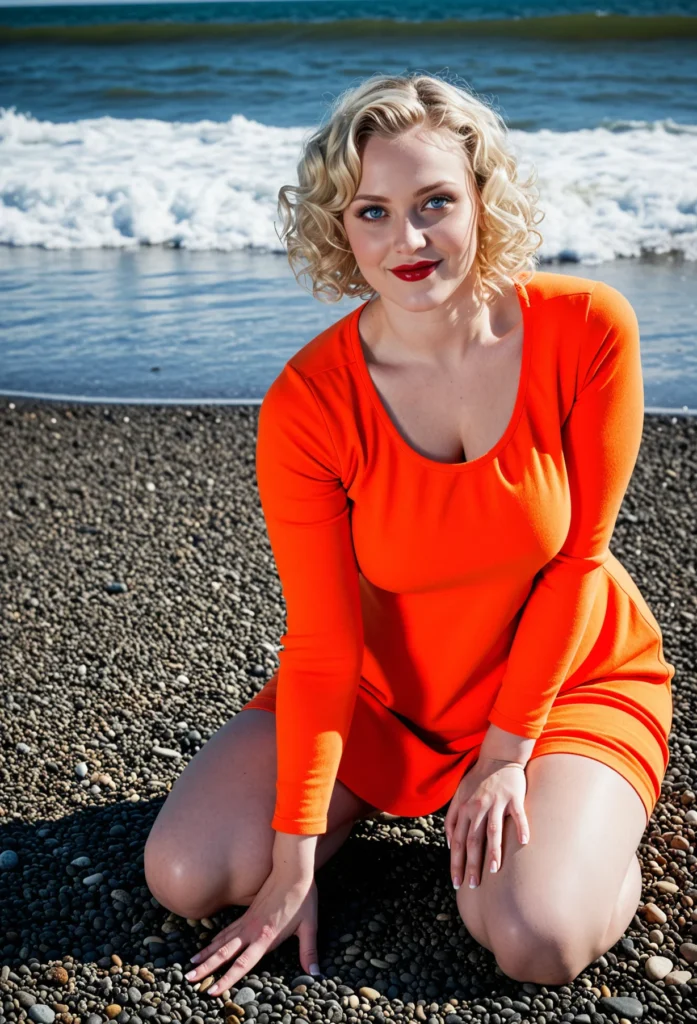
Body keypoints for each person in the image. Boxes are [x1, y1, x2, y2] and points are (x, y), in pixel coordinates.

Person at [143, 72, 675, 991]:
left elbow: (579, 563)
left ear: (482, 198)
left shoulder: (586, 329)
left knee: (533, 938)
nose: (409, 240)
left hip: (561, 683)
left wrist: (507, 755)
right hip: (386, 699)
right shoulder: (309, 402)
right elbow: (318, 642)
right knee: (188, 876)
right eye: (372, 213)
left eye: (435, 202)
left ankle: (587, 842)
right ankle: (395, 806)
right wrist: (294, 857)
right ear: (338, 231)